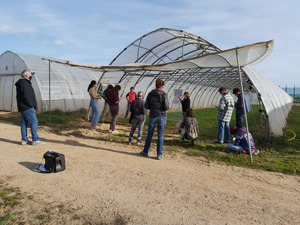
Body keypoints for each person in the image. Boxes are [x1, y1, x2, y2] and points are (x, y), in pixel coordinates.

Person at [140, 79, 170, 160]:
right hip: (162, 115)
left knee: (150, 133)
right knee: (160, 135)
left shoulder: (150, 94)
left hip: (153, 115)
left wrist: (153, 107)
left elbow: (146, 106)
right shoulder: (164, 94)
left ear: (155, 85)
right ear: (162, 86)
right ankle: (159, 155)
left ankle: (145, 152)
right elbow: (166, 107)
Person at [15, 69, 45, 145]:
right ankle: (35, 140)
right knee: (34, 121)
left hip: (22, 107)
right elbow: (27, 96)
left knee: (24, 122)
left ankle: (24, 140)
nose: (31, 76)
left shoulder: (21, 83)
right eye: (30, 75)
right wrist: (32, 105)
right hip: (27, 107)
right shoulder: (25, 83)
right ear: (26, 76)